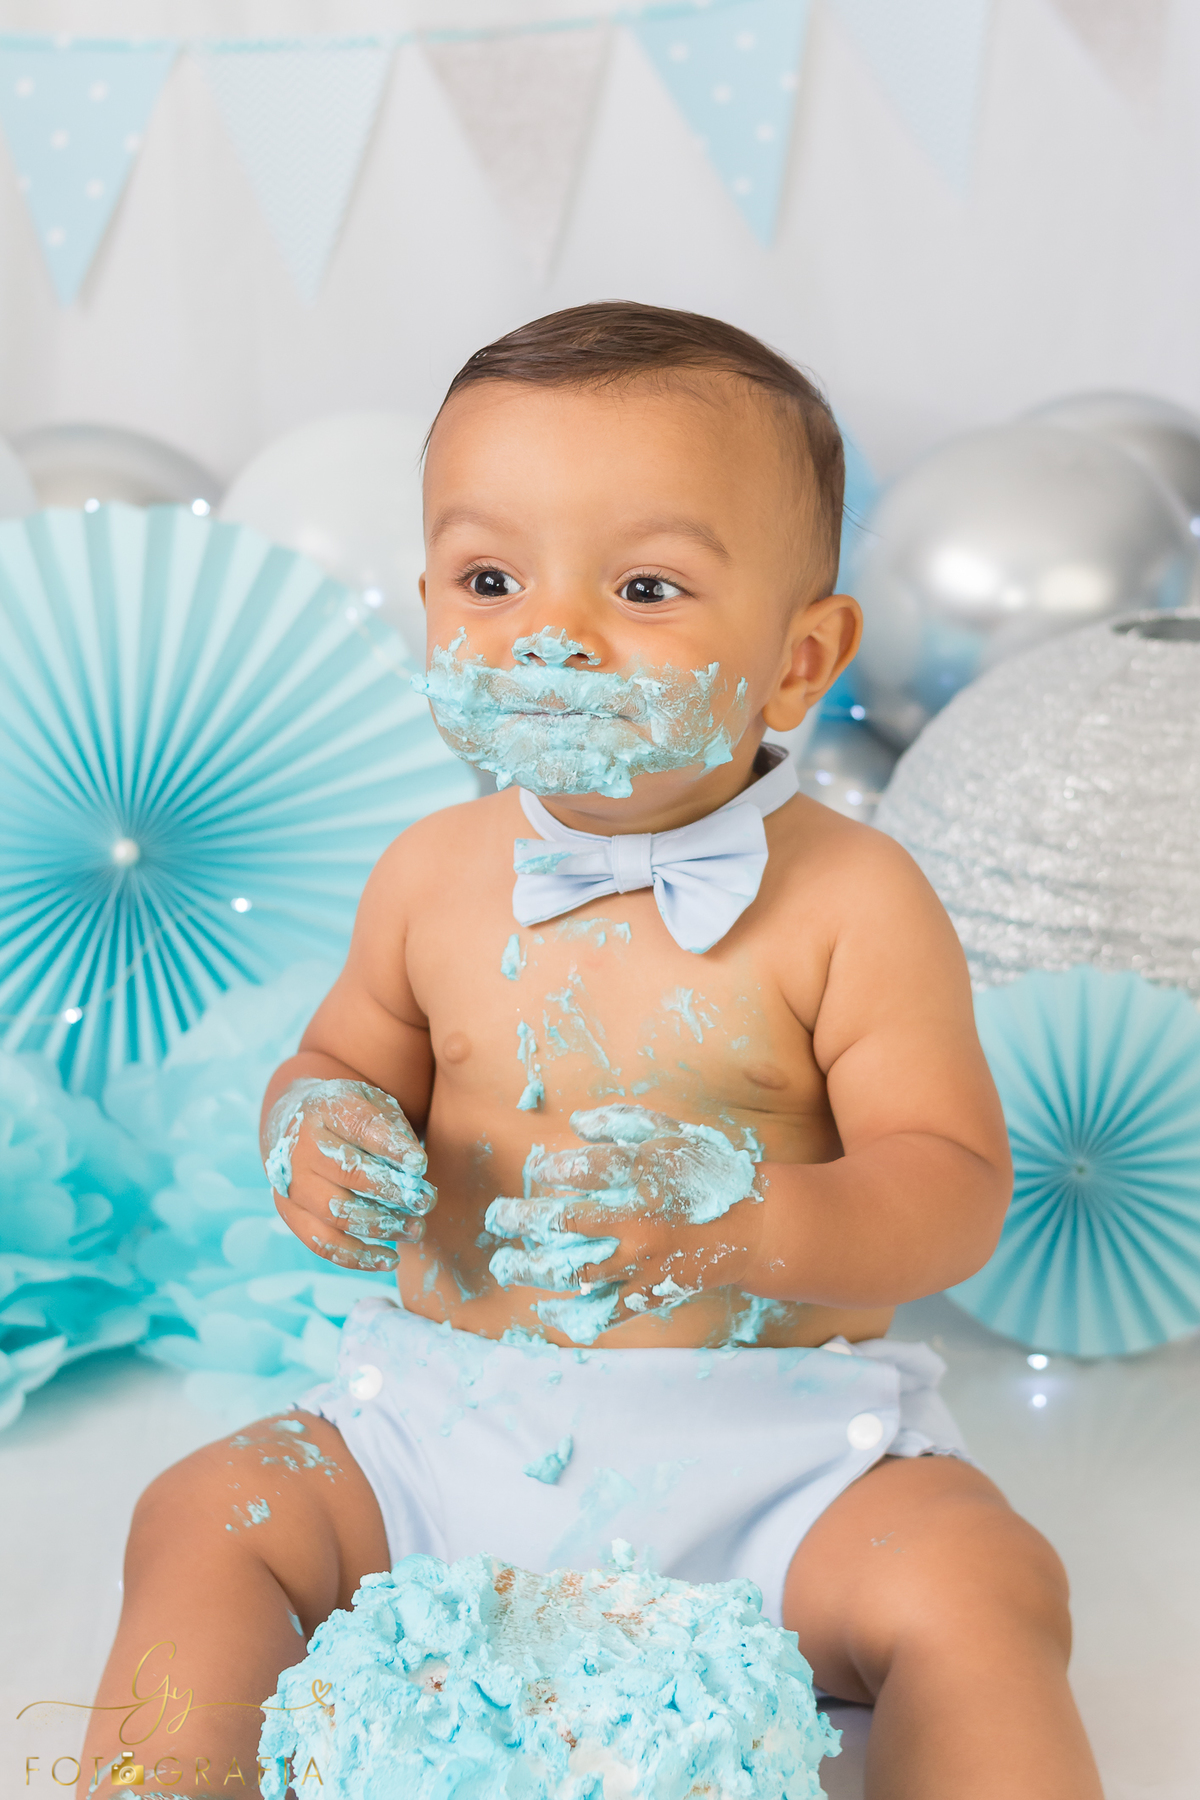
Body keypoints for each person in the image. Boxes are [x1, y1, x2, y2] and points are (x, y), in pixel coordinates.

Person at [78, 303, 1102, 1799]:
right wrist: (318, 1128)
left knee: (984, 1583)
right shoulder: (430, 875)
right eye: (490, 579)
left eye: (644, 586)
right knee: (202, 1514)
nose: (549, 634)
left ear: (799, 659)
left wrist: (746, 1221)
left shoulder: (855, 904)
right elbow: (339, 1057)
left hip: (776, 1467)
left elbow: (950, 1189)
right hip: (443, 1432)